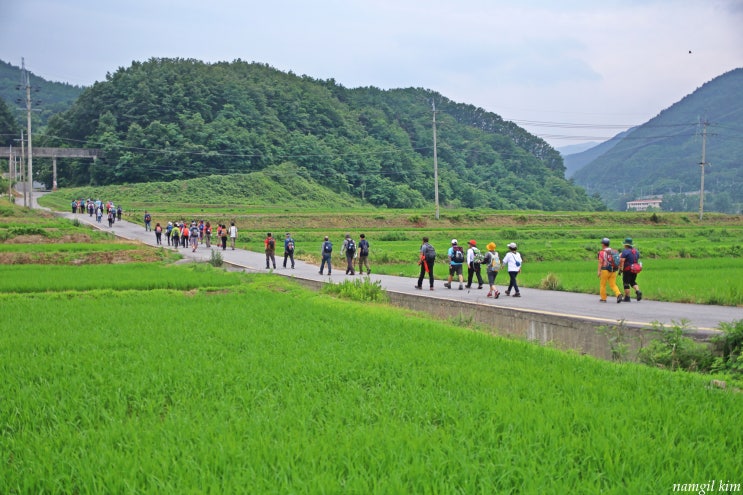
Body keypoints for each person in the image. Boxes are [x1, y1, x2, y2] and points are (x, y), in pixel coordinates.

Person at [597, 237, 622, 303]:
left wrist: (599, 271)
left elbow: (600, 263)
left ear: (603, 244)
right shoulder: (614, 251)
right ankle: (618, 294)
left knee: (603, 284)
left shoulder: (602, 252)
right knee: (613, 284)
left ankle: (603, 298)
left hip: (605, 270)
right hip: (613, 270)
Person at [619, 237, 643, 302]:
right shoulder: (636, 251)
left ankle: (627, 297)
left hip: (627, 270)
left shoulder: (625, 251)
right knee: (632, 282)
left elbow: (622, 261)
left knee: (626, 283)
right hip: (634, 269)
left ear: (626, 245)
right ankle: (638, 291)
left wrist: (620, 269)